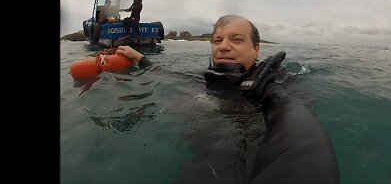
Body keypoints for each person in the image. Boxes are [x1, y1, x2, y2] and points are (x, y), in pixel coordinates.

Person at [116, 15, 340, 183]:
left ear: (256, 49)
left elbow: (290, 111)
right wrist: (141, 59)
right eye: (217, 40)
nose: (223, 46)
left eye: (236, 39)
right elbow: (177, 78)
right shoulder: (211, 79)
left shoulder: (274, 83)